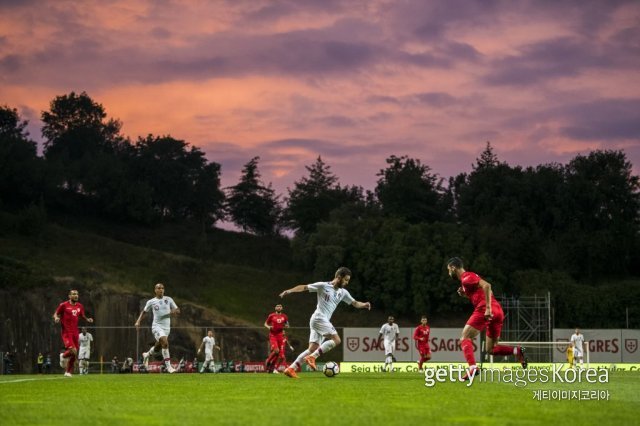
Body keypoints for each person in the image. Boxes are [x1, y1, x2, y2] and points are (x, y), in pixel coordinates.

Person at [279, 266, 371, 379]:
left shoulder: (343, 292)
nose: (347, 282)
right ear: (338, 277)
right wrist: (289, 291)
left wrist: (364, 305)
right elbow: (304, 287)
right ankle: (313, 357)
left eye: (348, 280)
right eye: (345, 280)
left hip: (320, 320)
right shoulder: (323, 286)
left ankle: (291, 369)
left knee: (312, 349)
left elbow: (355, 303)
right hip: (319, 318)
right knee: (336, 340)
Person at [447, 257, 527, 380]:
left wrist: (488, 308)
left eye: (449, 270)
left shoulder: (466, 277)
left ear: (453, 268)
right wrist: (465, 294)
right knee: (491, 349)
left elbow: (487, 286)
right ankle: (517, 351)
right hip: (498, 311)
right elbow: (482, 293)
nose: (449, 273)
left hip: (486, 309)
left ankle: (473, 368)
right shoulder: (467, 281)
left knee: (465, 337)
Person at [135, 283, 180, 374]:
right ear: (155, 290)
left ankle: (147, 354)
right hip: (157, 326)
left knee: (158, 347)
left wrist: (174, 312)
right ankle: (169, 367)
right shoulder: (151, 302)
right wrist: (138, 321)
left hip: (166, 327)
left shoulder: (169, 299)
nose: (161, 290)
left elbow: (178, 310)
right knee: (165, 343)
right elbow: (144, 312)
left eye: (162, 288)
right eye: (159, 288)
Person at [52, 289, 94, 377]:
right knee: (73, 350)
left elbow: (82, 315)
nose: (76, 296)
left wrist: (87, 319)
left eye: (77, 294)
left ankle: (68, 372)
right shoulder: (63, 305)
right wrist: (56, 318)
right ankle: (63, 355)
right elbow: (56, 313)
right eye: (74, 294)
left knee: (75, 353)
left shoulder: (80, 306)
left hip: (75, 332)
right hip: (67, 332)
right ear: (69, 296)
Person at [264, 303, 289, 373]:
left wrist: (286, 326)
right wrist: (268, 327)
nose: (279, 307)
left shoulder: (284, 316)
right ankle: (268, 361)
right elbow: (265, 323)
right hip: (273, 335)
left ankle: (271, 368)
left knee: (279, 355)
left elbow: (287, 324)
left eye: (280, 306)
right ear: (275, 308)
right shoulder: (271, 315)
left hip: (280, 335)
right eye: (277, 306)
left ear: (282, 308)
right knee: (276, 351)